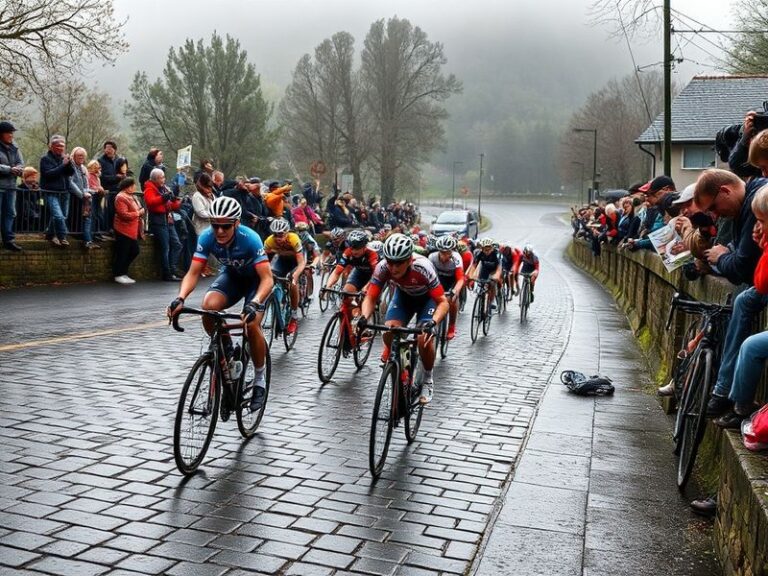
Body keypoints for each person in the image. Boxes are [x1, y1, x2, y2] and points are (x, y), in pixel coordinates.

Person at [167, 196, 273, 413]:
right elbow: (193, 272)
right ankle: (227, 349)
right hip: (232, 278)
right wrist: (180, 298)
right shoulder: (207, 237)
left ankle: (260, 379)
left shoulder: (250, 238)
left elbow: (267, 279)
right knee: (209, 306)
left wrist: (254, 303)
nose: (220, 231)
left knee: (251, 325)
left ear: (236, 223)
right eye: (215, 225)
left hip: (255, 283)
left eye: (226, 226)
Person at [356, 233, 449, 404]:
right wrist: (364, 317)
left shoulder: (423, 267)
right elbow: (370, 297)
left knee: (424, 339)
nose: (393, 267)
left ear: (409, 260)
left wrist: (433, 322)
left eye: (398, 263)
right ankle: (403, 367)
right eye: (390, 261)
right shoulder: (383, 267)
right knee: (390, 331)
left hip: (427, 299)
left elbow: (443, 302)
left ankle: (427, 378)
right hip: (404, 296)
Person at [264, 218, 306, 335]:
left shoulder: (293, 238)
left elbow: (301, 263)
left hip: (296, 262)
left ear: (287, 233)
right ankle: (276, 305)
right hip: (282, 261)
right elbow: (264, 261)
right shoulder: (269, 241)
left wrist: (296, 276)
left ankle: (293, 315)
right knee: (271, 277)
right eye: (275, 235)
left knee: (293, 282)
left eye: (281, 235)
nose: (278, 238)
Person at [323, 229, 379, 314]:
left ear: (364, 247)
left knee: (365, 297)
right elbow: (336, 272)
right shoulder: (348, 252)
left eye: (357, 248)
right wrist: (327, 287)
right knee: (346, 294)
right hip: (359, 272)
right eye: (352, 248)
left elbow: (376, 275)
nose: (354, 251)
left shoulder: (372, 254)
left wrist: (366, 287)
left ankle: (363, 319)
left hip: (373, 275)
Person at [144, 167, 183, 281]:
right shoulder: (149, 189)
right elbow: (151, 203)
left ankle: (173, 268)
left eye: (163, 177)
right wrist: (163, 198)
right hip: (158, 221)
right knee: (165, 248)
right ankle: (167, 273)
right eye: (161, 178)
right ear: (155, 179)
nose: (163, 180)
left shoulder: (163, 188)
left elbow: (171, 206)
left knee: (177, 244)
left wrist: (175, 200)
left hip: (167, 219)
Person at [40, 135, 75, 246]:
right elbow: (49, 174)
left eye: (62, 146)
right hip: (51, 192)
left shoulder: (64, 159)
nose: (61, 148)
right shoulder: (45, 159)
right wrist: (63, 165)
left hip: (64, 192)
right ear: (51, 147)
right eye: (58, 146)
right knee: (58, 216)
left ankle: (50, 234)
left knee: (62, 216)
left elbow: (70, 173)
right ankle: (62, 236)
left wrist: (69, 163)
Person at [428, 235, 465, 340]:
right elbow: (429, 276)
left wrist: (455, 291)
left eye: (448, 252)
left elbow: (460, 279)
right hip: (439, 279)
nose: (445, 256)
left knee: (452, 300)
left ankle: (451, 326)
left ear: (452, 251)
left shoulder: (456, 258)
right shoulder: (432, 257)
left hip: (453, 279)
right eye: (442, 252)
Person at [113, 178, 144, 284]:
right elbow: (123, 214)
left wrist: (140, 211)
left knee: (134, 251)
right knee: (123, 252)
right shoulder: (121, 197)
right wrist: (138, 213)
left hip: (132, 229)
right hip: (123, 229)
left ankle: (123, 272)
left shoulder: (132, 196)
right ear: (128, 186)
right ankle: (118, 274)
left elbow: (138, 209)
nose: (134, 187)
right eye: (133, 185)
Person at [0, 121, 23, 251]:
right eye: (8, 133)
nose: (11, 135)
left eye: (12, 133)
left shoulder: (15, 146)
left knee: (10, 213)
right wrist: (9, 169)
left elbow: (21, 162)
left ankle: (8, 240)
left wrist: (18, 169)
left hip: (11, 187)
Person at [69, 147, 97, 248]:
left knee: (87, 218)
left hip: (84, 198)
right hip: (74, 197)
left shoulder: (84, 168)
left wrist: (88, 191)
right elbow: (70, 182)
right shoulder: (71, 167)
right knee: (75, 218)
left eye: (83, 156)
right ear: (74, 156)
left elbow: (86, 184)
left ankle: (88, 240)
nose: (81, 158)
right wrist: (81, 194)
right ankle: (84, 239)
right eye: (79, 155)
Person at [467, 237, 502, 308]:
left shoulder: (496, 254)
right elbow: (474, 266)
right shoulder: (479, 253)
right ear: (482, 249)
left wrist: (496, 276)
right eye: (485, 250)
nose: (487, 252)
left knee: (492, 283)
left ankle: (491, 301)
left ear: (492, 248)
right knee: (481, 282)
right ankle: (481, 299)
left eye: (489, 249)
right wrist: (471, 275)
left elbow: (499, 268)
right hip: (485, 269)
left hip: (494, 270)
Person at [86, 160, 107, 241]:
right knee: (93, 215)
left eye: (97, 166)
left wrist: (101, 190)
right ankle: (93, 234)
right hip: (92, 198)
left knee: (99, 215)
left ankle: (98, 233)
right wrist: (97, 189)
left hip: (98, 198)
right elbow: (89, 187)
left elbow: (99, 186)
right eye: (94, 167)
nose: (97, 168)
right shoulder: (89, 176)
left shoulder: (97, 177)